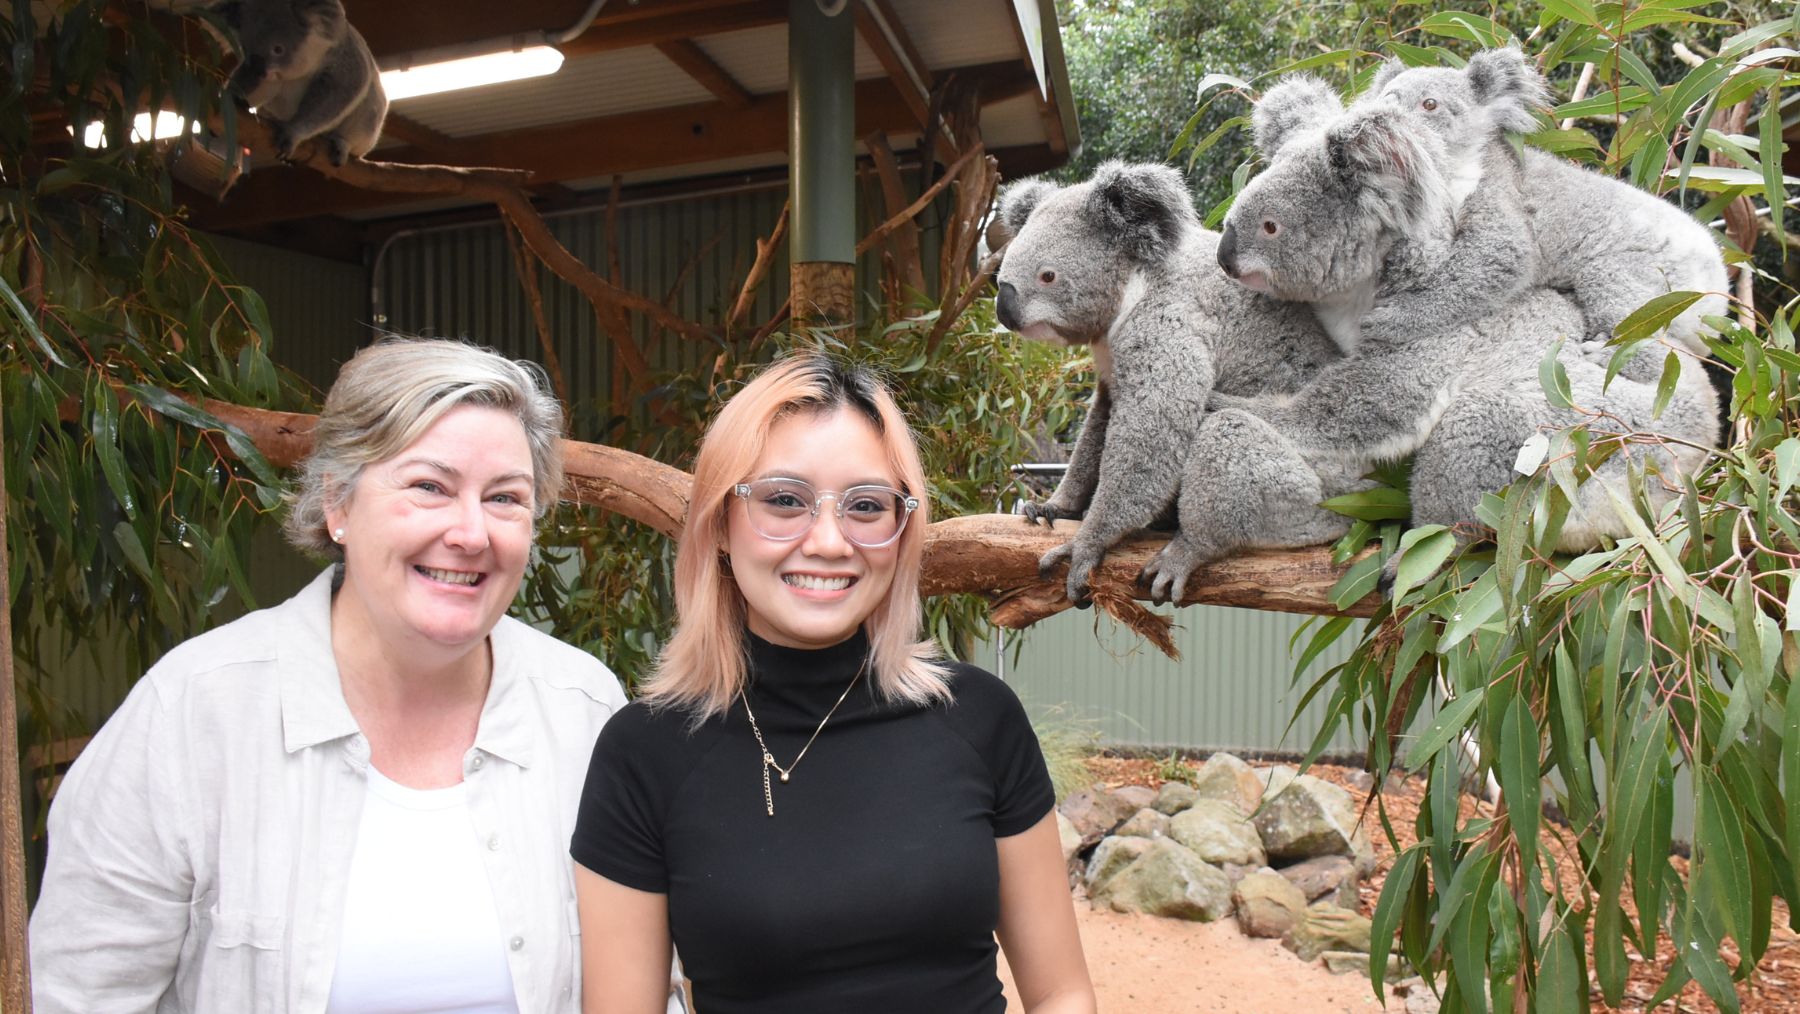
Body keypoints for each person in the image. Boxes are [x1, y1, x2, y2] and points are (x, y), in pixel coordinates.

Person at [31, 338, 624, 1013]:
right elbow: (78, 998)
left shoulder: (582, 708)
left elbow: (642, 987)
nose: (471, 533)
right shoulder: (194, 713)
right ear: (337, 502)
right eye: (430, 486)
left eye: (505, 499)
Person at [572, 353, 1096, 1013]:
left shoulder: (979, 718)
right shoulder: (645, 751)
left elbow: (1063, 993)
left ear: (903, 530)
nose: (827, 541)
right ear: (721, 524)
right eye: (784, 500)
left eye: (866, 506)